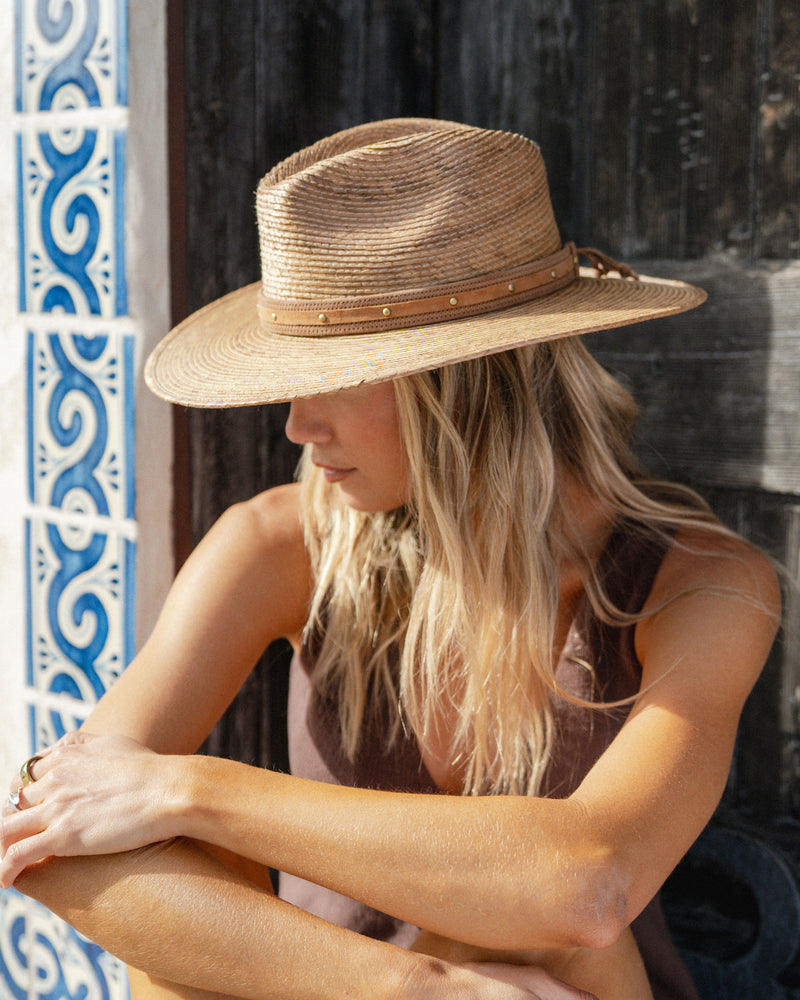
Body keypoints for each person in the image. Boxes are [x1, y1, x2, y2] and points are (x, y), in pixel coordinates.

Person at [0, 119, 781, 1000]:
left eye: (334, 374)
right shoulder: (280, 541)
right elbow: (43, 828)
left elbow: (590, 887)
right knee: (152, 861)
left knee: (548, 924)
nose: (296, 426)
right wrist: (423, 988)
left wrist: (190, 789)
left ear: (465, 380)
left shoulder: (701, 585)